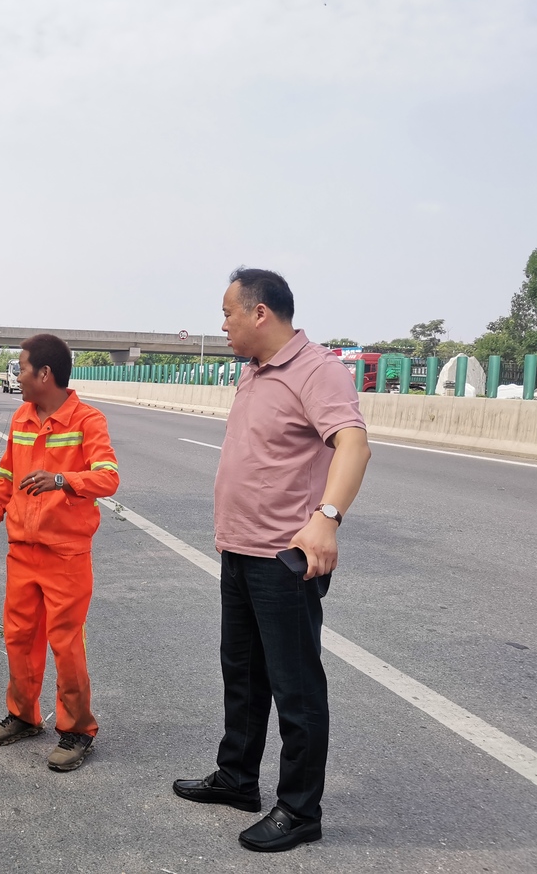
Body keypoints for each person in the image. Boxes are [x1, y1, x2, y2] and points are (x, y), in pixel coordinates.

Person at [172, 269, 371, 852]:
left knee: (297, 688)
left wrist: (326, 518)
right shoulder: (254, 373)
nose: (224, 324)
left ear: (261, 313)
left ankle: (300, 810)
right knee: (243, 673)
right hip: (239, 552)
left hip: (285, 557)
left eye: (229, 313)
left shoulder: (316, 370)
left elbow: (353, 443)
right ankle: (237, 778)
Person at [0, 333, 119, 772]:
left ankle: (77, 730)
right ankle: (23, 716)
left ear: (44, 374)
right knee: (18, 638)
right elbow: (5, 477)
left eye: (22, 367)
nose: (18, 374)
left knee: (65, 644)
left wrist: (63, 480)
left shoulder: (88, 421)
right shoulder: (21, 418)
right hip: (22, 552)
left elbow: (108, 477)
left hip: (65, 555)